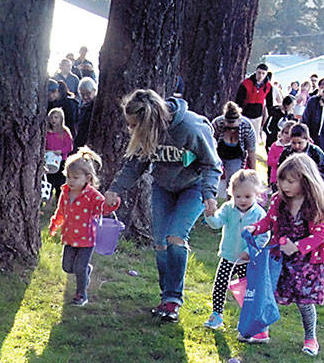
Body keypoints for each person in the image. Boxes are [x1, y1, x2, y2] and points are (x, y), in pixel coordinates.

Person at [103, 89, 222, 323]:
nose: (131, 130)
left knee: (176, 237)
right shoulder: (148, 135)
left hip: (193, 187)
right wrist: (115, 189)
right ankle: (165, 296)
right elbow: (135, 166)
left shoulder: (190, 128)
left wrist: (210, 194)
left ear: (148, 121)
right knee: (160, 243)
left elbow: (211, 163)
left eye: (134, 125)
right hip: (163, 187)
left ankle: (173, 299)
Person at [244, 155, 324, 355]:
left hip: (307, 263)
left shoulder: (313, 204)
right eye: (282, 180)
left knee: (304, 301)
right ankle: (261, 331)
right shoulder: (278, 200)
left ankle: (311, 338)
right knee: (269, 293)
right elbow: (268, 221)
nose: (284, 185)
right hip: (279, 259)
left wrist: (298, 246)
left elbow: (320, 235)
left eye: (290, 181)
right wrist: (255, 228)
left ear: (306, 180)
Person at [202, 169, 266, 331]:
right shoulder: (228, 208)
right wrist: (209, 215)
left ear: (256, 195)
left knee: (247, 291)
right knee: (220, 285)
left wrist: (250, 251)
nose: (242, 200)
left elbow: (264, 236)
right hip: (229, 256)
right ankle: (217, 314)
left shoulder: (259, 214)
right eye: (238, 196)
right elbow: (216, 223)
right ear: (231, 194)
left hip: (247, 260)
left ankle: (249, 319)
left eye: (247, 196)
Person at [48, 147, 106, 307]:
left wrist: (111, 204)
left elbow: (102, 208)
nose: (71, 181)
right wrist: (55, 224)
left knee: (79, 267)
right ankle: (86, 271)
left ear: (87, 178)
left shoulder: (92, 195)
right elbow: (61, 211)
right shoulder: (65, 192)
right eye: (68, 177)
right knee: (67, 267)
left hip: (86, 239)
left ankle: (81, 294)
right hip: (69, 237)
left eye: (75, 178)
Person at [211, 101, 256, 199]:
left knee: (233, 182)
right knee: (211, 179)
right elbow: (209, 145)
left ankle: (232, 203)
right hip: (217, 153)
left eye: (234, 128)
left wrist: (253, 174)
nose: (232, 130)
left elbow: (251, 151)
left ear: (239, 121)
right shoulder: (217, 124)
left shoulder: (247, 127)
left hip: (235, 156)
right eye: (228, 127)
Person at [234, 63, 273, 141]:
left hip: (258, 115)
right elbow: (239, 100)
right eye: (259, 73)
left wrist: (271, 113)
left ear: (266, 74)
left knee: (254, 137)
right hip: (245, 114)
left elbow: (269, 102)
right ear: (256, 72)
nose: (260, 75)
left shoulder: (268, 86)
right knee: (242, 135)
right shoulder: (246, 83)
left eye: (263, 73)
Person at [44, 107, 74, 199]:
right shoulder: (46, 132)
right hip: (48, 160)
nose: (53, 120)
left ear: (61, 119)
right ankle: (47, 199)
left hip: (61, 160)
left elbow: (69, 146)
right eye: (52, 117)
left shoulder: (64, 132)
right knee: (49, 180)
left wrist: (61, 151)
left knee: (59, 182)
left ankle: (59, 199)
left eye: (56, 117)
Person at [268, 120, 296, 189]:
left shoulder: (295, 147)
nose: (288, 136)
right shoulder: (275, 145)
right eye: (286, 133)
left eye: (290, 133)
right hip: (276, 178)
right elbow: (269, 161)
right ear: (282, 133)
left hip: (290, 178)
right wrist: (281, 160)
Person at [74, 78, 97, 147]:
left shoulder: (97, 107)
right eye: (82, 94)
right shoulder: (83, 107)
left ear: (94, 90)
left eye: (88, 93)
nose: (85, 97)